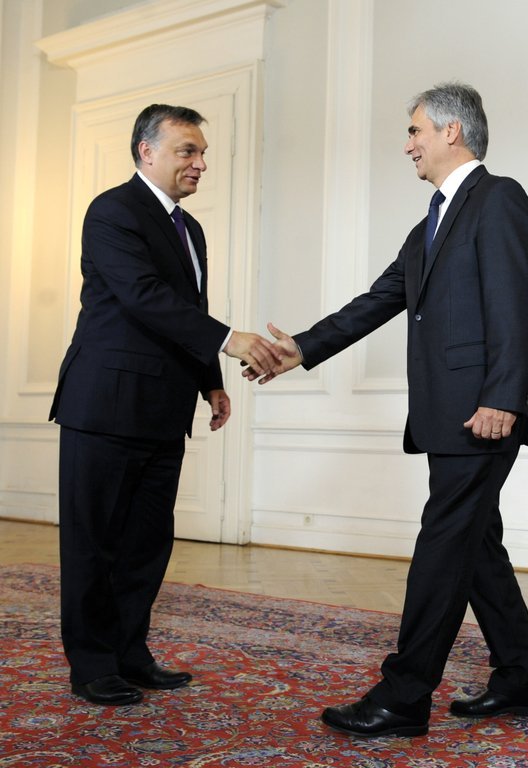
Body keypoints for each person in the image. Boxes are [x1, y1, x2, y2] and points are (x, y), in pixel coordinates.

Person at [247, 82, 528, 737]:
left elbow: (514, 302)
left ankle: (404, 696)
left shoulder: (498, 198)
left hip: (482, 412)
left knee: (444, 545)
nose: (408, 144)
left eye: (415, 130)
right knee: (475, 545)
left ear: (451, 131)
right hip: (450, 413)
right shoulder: (430, 224)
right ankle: (522, 679)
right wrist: (301, 348)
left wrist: (502, 395)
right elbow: (378, 300)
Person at [49, 104, 280, 706]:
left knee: (146, 545)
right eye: (187, 151)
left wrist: (210, 381)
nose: (200, 163)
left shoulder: (190, 228)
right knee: (94, 543)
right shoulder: (112, 211)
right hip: (104, 405)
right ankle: (91, 665)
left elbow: (188, 309)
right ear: (146, 152)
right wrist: (230, 341)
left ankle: (131, 653)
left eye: (202, 153)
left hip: (163, 408)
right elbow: (143, 296)